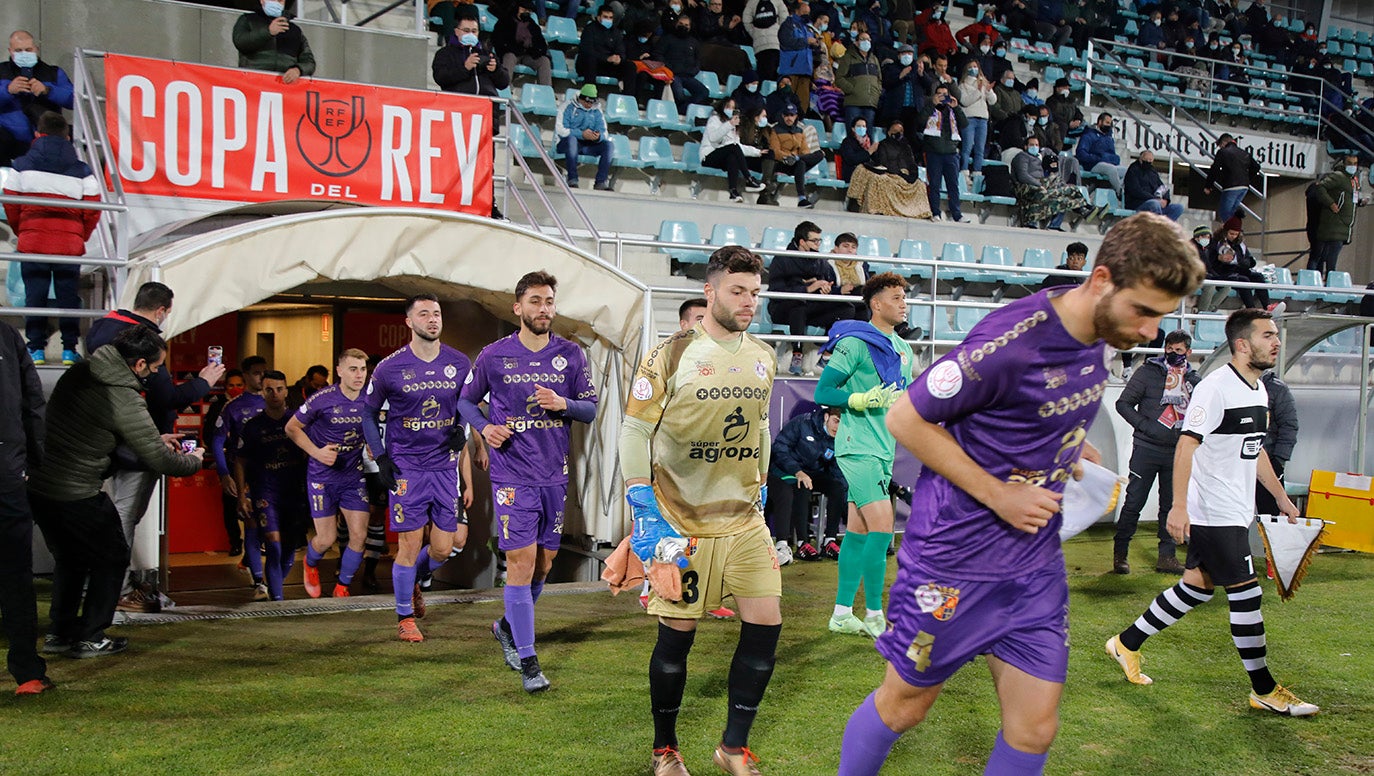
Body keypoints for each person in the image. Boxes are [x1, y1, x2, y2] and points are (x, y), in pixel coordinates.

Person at [837, 213, 1206, 776]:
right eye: (1145, 311)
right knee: (905, 706)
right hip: (953, 561)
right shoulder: (1012, 341)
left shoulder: (1096, 334)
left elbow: (1023, 415)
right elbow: (907, 419)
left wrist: (1069, 446)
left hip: (1032, 565)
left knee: (1034, 730)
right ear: (1102, 280)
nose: (1152, 332)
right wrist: (999, 494)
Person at [1106, 308, 1318, 718]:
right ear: (1242, 344)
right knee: (1247, 595)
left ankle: (1125, 643)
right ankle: (1264, 689)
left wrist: (1281, 499)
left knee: (1195, 589)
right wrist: (1179, 506)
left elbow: (1255, 454)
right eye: (1268, 335)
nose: (1276, 342)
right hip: (1214, 513)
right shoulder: (1215, 388)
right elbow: (1186, 445)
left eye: (1276, 335)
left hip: (1236, 511)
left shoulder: (1259, 390)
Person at [619, 245, 780, 776]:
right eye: (737, 291)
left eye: (754, 292)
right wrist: (641, 499)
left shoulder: (763, 355)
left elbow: (758, 426)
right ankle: (665, 749)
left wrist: (760, 481)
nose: (748, 302)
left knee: (765, 626)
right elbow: (636, 428)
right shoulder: (670, 354)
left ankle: (733, 748)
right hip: (682, 525)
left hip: (744, 520)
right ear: (710, 292)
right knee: (676, 642)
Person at [459, 272, 598, 693]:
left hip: (553, 475)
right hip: (511, 475)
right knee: (520, 564)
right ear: (518, 308)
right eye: (535, 301)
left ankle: (506, 627)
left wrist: (564, 404)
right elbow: (465, 400)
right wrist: (486, 428)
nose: (544, 309)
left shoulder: (570, 355)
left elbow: (590, 410)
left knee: (544, 564)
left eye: (550, 301)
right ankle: (529, 661)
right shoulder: (494, 355)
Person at [28, 326, 204, 659]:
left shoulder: (81, 372)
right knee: (111, 557)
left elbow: (93, 429)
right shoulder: (122, 395)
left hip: (41, 488)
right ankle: (92, 635)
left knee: (71, 559)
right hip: (77, 491)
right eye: (154, 368)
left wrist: (151, 440)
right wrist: (192, 461)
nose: (155, 374)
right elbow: (160, 460)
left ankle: (60, 632)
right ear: (138, 365)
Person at [85, 281, 224, 613]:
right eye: (157, 366)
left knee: (109, 515)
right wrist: (204, 381)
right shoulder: (142, 347)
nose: (159, 369)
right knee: (124, 517)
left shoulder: (100, 328)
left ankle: (107, 583)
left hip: (101, 440)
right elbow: (167, 397)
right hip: (132, 444)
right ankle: (115, 589)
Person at [362, 294, 471, 644]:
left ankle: (412, 586)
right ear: (409, 322)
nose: (432, 319)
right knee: (408, 545)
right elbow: (367, 412)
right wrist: (380, 458)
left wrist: (461, 429)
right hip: (407, 467)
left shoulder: (458, 362)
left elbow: (468, 405)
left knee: (444, 546)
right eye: (424, 314)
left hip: (444, 467)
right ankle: (404, 618)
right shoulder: (389, 367)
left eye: (437, 313)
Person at [814, 272, 915, 639]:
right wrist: (855, 399)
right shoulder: (854, 343)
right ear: (876, 304)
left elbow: (904, 400)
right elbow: (824, 389)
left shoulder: (904, 351)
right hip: (857, 447)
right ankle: (875, 615)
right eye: (896, 297)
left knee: (857, 531)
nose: (904, 303)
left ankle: (842, 614)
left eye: (905, 297)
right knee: (883, 530)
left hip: (883, 448)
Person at [3, 112, 100, 366]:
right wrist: (81, 234)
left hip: (33, 241)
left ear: (38, 134)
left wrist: (21, 229)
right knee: (69, 297)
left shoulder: (21, 165)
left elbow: (11, 202)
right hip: (68, 243)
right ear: (68, 137)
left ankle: (36, 350)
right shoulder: (83, 170)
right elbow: (93, 207)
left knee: (35, 296)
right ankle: (69, 350)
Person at [1112, 329, 1200, 575]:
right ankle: (1120, 554)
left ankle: (1167, 556)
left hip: (1177, 453)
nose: (1173, 355)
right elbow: (1123, 403)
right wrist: (1145, 426)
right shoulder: (1147, 373)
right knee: (1134, 502)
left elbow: (1200, 413)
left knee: (1170, 506)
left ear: (1188, 352)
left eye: (1179, 351)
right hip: (1146, 449)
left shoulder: (1195, 380)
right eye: (1169, 350)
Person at [286, 349, 371, 599]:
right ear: (340, 371)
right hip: (322, 476)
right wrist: (316, 452)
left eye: (363, 370)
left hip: (353, 475)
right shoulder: (322, 399)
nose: (359, 375)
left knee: (359, 535)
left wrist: (372, 447)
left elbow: (376, 427)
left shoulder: (370, 398)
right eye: (353, 369)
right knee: (326, 539)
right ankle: (310, 564)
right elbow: (291, 428)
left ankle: (342, 587)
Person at [0, 320, 50, 694]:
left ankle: (28, 671)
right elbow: (33, 400)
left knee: (17, 573)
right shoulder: (7, 335)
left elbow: (33, 400)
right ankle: (28, 673)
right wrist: (35, 462)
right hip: (8, 470)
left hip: (9, 469)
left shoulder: (8, 336)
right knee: (16, 573)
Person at [234, 371, 308, 602]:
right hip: (265, 492)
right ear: (262, 392)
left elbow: (312, 455)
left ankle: (268, 585)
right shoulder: (253, 426)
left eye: (279, 389)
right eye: (269, 389)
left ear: (286, 391)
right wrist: (241, 496)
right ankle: (277, 600)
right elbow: (240, 460)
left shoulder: (299, 422)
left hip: (295, 493)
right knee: (273, 545)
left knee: (289, 547)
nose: (274, 394)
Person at [212, 355, 270, 599]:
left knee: (277, 531)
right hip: (246, 476)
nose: (261, 377)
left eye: (263, 372)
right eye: (256, 373)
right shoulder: (233, 407)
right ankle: (260, 582)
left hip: (276, 475)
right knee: (253, 528)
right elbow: (216, 441)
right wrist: (225, 474)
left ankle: (249, 560)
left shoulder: (277, 401)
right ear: (245, 375)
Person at [767, 220, 853, 375]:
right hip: (783, 309)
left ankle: (827, 356)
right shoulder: (782, 259)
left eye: (819, 240)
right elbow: (777, 291)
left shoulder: (820, 261)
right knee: (798, 303)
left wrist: (827, 288)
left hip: (810, 307)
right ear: (802, 242)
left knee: (847, 307)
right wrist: (807, 288)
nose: (818, 244)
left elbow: (826, 283)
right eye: (814, 240)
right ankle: (797, 354)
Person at [768, 406, 846, 563]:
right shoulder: (803, 423)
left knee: (838, 487)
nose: (838, 428)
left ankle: (829, 541)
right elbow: (780, 448)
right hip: (788, 470)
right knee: (802, 486)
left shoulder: (839, 437)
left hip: (813, 473)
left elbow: (836, 468)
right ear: (826, 417)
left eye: (842, 424)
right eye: (836, 421)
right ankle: (802, 543)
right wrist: (797, 471)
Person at [0, 31, 74, 167]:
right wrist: (7, 90)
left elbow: (74, 100)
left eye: (28, 50)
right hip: (9, 138)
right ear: (10, 51)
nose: (24, 54)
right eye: (18, 50)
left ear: (36, 49)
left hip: (46, 136)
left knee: (73, 135)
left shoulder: (53, 72)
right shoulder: (1, 70)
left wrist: (48, 90)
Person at [204, 369, 247, 556]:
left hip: (251, 463)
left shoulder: (252, 404)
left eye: (239, 385)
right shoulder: (218, 407)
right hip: (228, 461)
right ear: (225, 387)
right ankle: (235, 542)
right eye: (231, 385)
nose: (235, 388)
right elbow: (209, 435)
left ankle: (257, 543)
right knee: (230, 505)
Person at [1012, 137, 1091, 230]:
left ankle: (1081, 208)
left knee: (1070, 188)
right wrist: (1039, 185)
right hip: (1026, 186)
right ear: (1025, 146)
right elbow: (1023, 176)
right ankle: (1081, 207)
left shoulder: (1038, 158)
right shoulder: (1022, 157)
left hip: (1040, 184)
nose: (1035, 147)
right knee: (1061, 193)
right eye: (1032, 145)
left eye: (1037, 145)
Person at [918, 83, 969, 223]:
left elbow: (964, 124)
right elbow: (919, 122)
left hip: (951, 153)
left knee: (953, 185)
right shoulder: (929, 108)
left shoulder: (953, 110)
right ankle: (935, 212)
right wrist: (931, 105)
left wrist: (956, 107)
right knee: (934, 184)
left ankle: (956, 214)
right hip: (933, 153)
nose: (941, 97)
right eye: (939, 94)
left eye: (944, 94)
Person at [433, 6, 511, 97]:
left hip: (486, 105)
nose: (470, 34)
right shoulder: (445, 53)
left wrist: (495, 70)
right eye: (466, 30)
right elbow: (440, 77)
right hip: (458, 104)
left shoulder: (486, 53)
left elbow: (504, 83)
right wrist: (465, 68)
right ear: (456, 31)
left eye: (474, 31)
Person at [232, 0, 316, 84]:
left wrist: (298, 70)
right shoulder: (248, 20)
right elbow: (240, 42)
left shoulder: (295, 30)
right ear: (262, 1)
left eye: (280, 0)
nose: (276, 2)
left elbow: (309, 61)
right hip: (253, 83)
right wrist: (268, 32)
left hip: (285, 86)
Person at [702, 98, 765, 203]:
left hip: (723, 157)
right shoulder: (714, 119)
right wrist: (729, 124)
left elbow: (738, 147)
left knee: (733, 157)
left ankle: (733, 192)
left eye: (733, 108)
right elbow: (713, 138)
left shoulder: (734, 125)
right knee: (732, 148)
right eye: (728, 107)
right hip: (708, 156)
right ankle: (749, 178)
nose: (730, 110)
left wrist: (756, 152)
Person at [1205, 217, 1273, 311]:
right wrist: (1219, 258)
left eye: (1236, 234)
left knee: (1258, 277)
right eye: (1231, 233)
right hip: (1222, 272)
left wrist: (1245, 263)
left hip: (1239, 270)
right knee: (1243, 280)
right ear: (1225, 231)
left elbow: (1250, 260)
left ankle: (1267, 306)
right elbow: (1209, 260)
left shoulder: (1240, 245)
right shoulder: (1216, 242)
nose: (1233, 236)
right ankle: (1251, 309)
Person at [1307, 156, 1359, 278]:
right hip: (1332, 225)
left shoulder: (1353, 180)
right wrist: (1331, 203)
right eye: (1350, 163)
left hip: (1342, 226)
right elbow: (1320, 187)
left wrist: (1359, 202)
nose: (1353, 166)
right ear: (1344, 164)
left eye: (1355, 163)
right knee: (1324, 258)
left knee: (1323, 257)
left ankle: (1321, 282)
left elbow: (1348, 199)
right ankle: (1315, 283)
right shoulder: (1339, 177)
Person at [555, 85, 614, 191]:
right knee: (571, 140)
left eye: (591, 102)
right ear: (580, 98)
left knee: (608, 145)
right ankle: (572, 178)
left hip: (588, 144)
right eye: (586, 102)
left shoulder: (597, 110)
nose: (588, 105)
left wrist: (597, 137)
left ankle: (601, 181)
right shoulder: (567, 107)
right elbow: (560, 130)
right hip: (567, 143)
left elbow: (604, 132)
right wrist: (581, 134)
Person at [1255, 370, 1297, 517]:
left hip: (1270, 461)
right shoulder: (1236, 386)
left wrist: (1279, 462)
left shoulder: (1277, 389)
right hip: (1241, 464)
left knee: (1271, 514)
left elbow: (1289, 426)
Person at [768, 103, 824, 208]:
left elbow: (805, 151)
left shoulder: (799, 131)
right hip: (783, 163)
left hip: (797, 161)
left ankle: (797, 160)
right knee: (801, 163)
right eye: (787, 115)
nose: (789, 118)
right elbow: (775, 151)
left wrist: (798, 158)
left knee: (819, 154)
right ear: (783, 116)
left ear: (796, 116)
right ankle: (802, 198)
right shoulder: (776, 130)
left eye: (792, 115)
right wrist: (788, 157)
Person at [656, 14, 711, 115]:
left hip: (689, 76)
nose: (683, 26)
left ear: (690, 27)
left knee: (704, 92)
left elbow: (698, 60)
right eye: (681, 24)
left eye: (686, 25)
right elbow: (658, 54)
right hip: (672, 75)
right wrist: (667, 69)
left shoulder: (694, 42)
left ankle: (680, 111)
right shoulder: (667, 38)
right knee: (679, 94)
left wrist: (694, 70)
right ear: (676, 24)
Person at [577, 6, 637, 94]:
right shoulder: (589, 29)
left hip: (609, 66)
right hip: (591, 64)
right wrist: (606, 58)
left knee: (630, 66)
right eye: (605, 17)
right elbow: (587, 51)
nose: (608, 20)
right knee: (590, 60)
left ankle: (628, 97)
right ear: (598, 17)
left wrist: (619, 58)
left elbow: (621, 50)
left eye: (610, 18)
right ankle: (590, 94)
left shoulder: (616, 33)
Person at [493, 0, 552, 88]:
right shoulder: (505, 21)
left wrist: (535, 50)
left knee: (544, 61)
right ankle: (505, 88)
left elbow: (541, 43)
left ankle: (546, 90)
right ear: (517, 8)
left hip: (528, 55)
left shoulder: (533, 25)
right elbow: (498, 40)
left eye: (528, 10)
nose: (526, 12)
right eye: (524, 9)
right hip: (511, 52)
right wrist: (513, 48)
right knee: (509, 57)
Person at [1203, 133, 1258, 224]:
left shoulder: (1223, 152)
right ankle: (1236, 230)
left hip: (1231, 186)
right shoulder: (1244, 153)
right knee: (1232, 212)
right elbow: (1256, 167)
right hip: (1244, 186)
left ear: (1224, 143)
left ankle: (1232, 233)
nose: (1220, 147)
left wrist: (1208, 186)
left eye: (1220, 145)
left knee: (1225, 213)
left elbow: (1215, 169)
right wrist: (1247, 178)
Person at [836, 31, 882, 131]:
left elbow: (879, 79)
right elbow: (839, 78)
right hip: (853, 103)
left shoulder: (874, 59)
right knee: (853, 134)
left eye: (868, 40)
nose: (866, 42)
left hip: (870, 103)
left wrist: (876, 92)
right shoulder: (847, 58)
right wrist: (852, 90)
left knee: (867, 136)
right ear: (856, 42)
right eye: (863, 39)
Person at [776, 1, 816, 114]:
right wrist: (806, 41)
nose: (807, 14)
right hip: (790, 71)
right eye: (804, 11)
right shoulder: (788, 24)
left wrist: (816, 46)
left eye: (808, 12)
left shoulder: (809, 28)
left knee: (802, 105)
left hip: (806, 72)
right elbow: (786, 42)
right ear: (797, 11)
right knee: (786, 102)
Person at [955, 61, 994, 174]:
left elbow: (993, 101)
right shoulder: (962, 85)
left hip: (983, 119)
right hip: (969, 118)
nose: (974, 69)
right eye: (971, 67)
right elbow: (965, 101)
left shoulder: (983, 83)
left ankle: (977, 172)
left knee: (980, 149)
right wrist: (978, 91)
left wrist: (988, 91)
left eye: (975, 66)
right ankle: (964, 171)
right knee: (967, 147)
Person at [1075, 112, 1126, 196]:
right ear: (1100, 122)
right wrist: (1096, 158)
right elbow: (1081, 153)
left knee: (1127, 171)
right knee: (1111, 169)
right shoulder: (1088, 135)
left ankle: (1117, 189)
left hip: (1108, 163)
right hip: (1094, 164)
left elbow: (1112, 154)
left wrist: (1113, 159)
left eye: (1110, 123)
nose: (1109, 125)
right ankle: (1119, 192)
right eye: (1107, 123)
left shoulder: (1109, 139)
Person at [1124, 150, 1183, 221]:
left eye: (1150, 160)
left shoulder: (1152, 171)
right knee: (1154, 204)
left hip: (1156, 203)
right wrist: (1154, 198)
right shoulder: (1133, 170)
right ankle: (1159, 226)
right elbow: (1136, 191)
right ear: (1140, 159)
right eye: (1146, 160)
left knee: (1178, 208)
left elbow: (1162, 187)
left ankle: (1165, 226)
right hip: (1138, 203)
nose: (1148, 162)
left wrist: (1166, 200)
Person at [742, 0, 783, 80]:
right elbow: (784, 19)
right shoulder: (778, 1)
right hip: (775, 43)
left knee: (763, 72)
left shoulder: (751, 2)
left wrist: (754, 33)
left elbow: (746, 21)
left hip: (759, 45)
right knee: (773, 75)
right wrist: (777, 31)